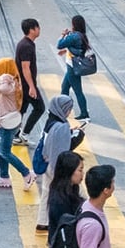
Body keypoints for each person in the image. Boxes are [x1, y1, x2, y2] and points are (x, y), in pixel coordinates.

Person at [0, 57, 35, 189]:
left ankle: (27, 173)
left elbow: (2, 88)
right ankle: (4, 177)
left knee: (4, 151)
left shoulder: (9, 83)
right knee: (0, 150)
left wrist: (4, 76)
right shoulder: (11, 83)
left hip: (7, 123)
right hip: (1, 121)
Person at [34, 95, 75, 232]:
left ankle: (42, 221)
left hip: (46, 163)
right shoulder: (62, 127)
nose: (70, 112)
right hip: (58, 167)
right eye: (69, 109)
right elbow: (63, 150)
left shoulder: (49, 122)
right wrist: (76, 137)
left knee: (46, 192)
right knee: (73, 193)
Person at [15, 19, 44, 144]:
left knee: (21, 110)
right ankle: (24, 134)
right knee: (39, 108)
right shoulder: (26, 46)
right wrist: (32, 87)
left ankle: (16, 135)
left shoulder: (27, 43)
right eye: (37, 27)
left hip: (24, 84)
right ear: (32, 30)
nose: (39, 30)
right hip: (27, 85)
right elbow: (25, 68)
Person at [57, 15, 91, 121]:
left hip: (73, 67)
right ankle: (61, 110)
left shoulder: (74, 36)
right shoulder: (81, 35)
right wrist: (66, 50)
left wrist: (63, 35)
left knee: (78, 91)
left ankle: (84, 114)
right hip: (72, 66)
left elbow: (59, 44)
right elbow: (76, 48)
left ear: (74, 25)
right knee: (65, 87)